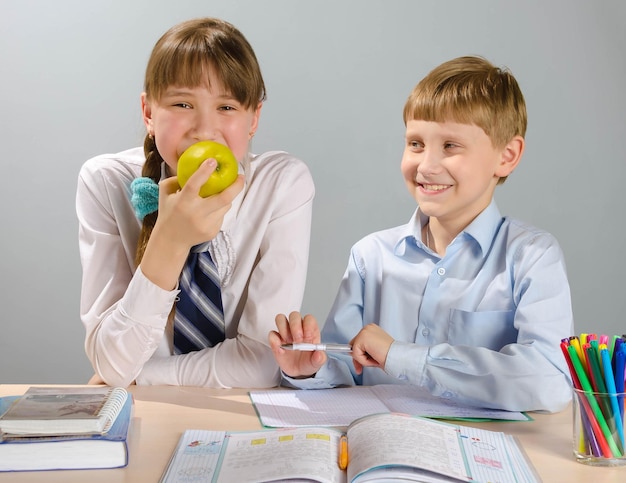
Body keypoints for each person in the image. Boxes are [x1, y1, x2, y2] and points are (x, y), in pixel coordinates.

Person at [269, 56, 573, 413]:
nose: (426, 166)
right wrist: (308, 369)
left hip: (480, 460)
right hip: (380, 447)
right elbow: (343, 364)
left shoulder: (532, 257)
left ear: (506, 156)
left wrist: (402, 357)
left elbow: (548, 381)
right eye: (415, 144)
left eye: (450, 146)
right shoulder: (371, 256)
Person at [76, 17, 314, 388]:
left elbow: (260, 363)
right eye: (183, 104)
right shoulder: (106, 181)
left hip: (240, 417)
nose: (204, 129)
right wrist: (170, 241)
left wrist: (139, 378)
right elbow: (110, 358)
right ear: (149, 113)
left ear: (254, 120)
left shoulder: (281, 184)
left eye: (227, 107)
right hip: (149, 418)